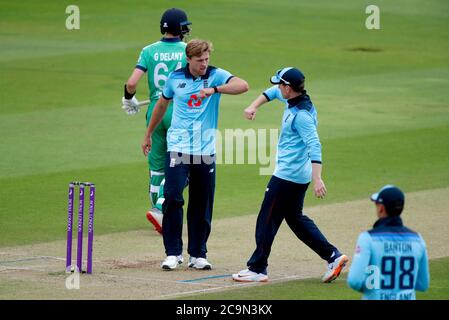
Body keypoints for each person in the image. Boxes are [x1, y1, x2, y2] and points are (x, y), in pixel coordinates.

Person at [232, 67, 348, 283]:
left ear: (289, 87)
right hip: (297, 175)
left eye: (280, 84)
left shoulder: (301, 115)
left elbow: (314, 145)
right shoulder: (294, 98)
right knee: (296, 219)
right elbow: (271, 92)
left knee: (266, 220)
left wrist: (318, 179)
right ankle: (333, 256)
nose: (277, 87)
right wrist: (253, 106)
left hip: (287, 176)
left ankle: (257, 268)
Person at [141, 39, 249, 270]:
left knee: (202, 203)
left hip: (205, 151)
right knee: (172, 197)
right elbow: (161, 105)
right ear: (188, 59)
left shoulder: (216, 75)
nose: (204, 64)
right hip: (178, 148)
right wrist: (148, 133)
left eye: (206, 59)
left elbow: (243, 85)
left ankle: (198, 254)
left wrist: (214, 89)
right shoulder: (175, 78)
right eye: (199, 60)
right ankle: (173, 253)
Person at [121, 8, 192, 234]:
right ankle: (162, 208)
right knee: (188, 163)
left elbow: (132, 83)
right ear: (180, 29)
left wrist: (128, 99)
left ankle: (156, 210)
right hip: (177, 110)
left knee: (157, 165)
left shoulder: (149, 50)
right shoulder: (187, 50)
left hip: (154, 110)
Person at [347, 185, 430, 300]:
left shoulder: (367, 238)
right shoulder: (418, 239)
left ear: (381, 208)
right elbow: (422, 284)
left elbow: (355, 281)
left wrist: (374, 289)